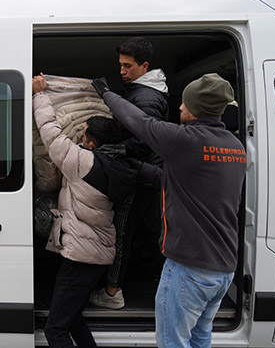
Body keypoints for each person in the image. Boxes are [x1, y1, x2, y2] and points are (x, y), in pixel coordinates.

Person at [94, 73, 246, 347]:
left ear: (196, 108)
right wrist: (139, 167)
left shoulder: (184, 140)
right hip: (223, 270)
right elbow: (185, 183)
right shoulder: (235, 147)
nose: (179, 108)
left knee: (172, 342)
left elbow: (139, 122)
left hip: (189, 269)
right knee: (200, 337)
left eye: (184, 104)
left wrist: (106, 94)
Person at [33, 73, 155, 348]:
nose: (80, 134)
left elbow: (51, 132)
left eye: (84, 132)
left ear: (90, 143)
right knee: (72, 316)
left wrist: (40, 94)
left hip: (80, 257)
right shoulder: (121, 166)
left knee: (55, 330)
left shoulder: (82, 163)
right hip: (95, 253)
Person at [89, 37, 168, 309]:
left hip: (140, 175)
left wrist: (113, 150)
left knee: (121, 232)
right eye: (120, 65)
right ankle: (165, 283)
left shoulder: (145, 97)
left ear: (144, 66)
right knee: (151, 232)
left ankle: (112, 292)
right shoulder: (140, 92)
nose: (122, 71)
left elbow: (145, 142)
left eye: (128, 66)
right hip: (151, 174)